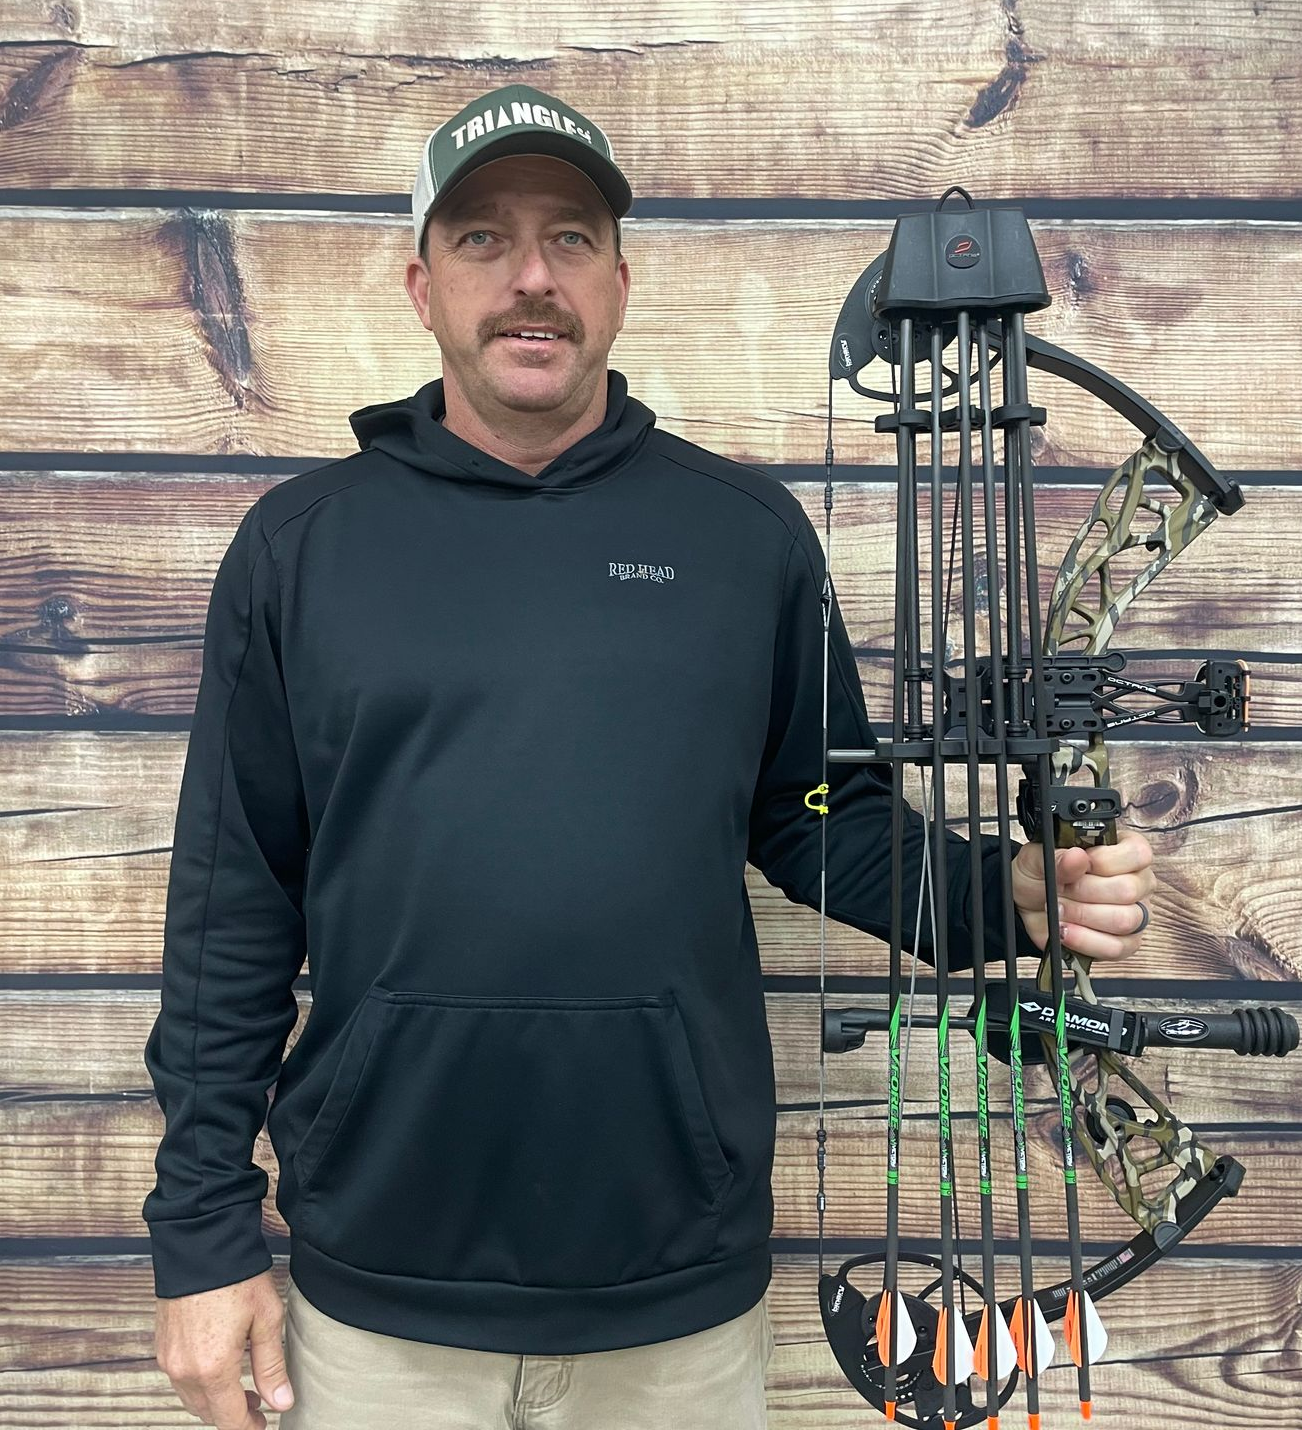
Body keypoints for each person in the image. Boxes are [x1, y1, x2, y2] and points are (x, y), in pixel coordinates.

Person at [143, 83, 1156, 1429]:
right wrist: (204, 1240)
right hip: (378, 1288)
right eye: (483, 240)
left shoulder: (739, 539)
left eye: (568, 239)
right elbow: (233, 906)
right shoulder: (303, 548)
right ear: (419, 285)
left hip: (669, 1297)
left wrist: (998, 894)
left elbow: (810, 806)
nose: (530, 279)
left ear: (620, 283)